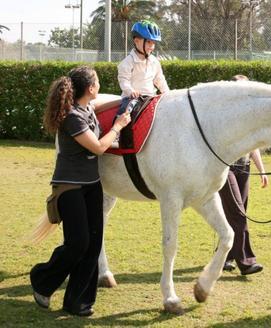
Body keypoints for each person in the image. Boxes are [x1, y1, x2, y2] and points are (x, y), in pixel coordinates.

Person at [30, 66, 131, 316]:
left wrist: (129, 98)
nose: (99, 85)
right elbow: (97, 147)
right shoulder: (72, 117)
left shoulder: (86, 109)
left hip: (91, 186)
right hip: (69, 188)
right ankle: (42, 278)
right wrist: (118, 126)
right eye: (97, 82)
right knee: (78, 244)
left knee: (93, 244)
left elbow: (98, 108)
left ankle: (78, 302)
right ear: (90, 88)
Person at [219, 74, 269, 276]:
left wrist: (262, 169)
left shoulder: (249, 116)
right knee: (239, 214)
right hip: (226, 168)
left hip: (244, 167)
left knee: (236, 213)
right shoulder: (224, 114)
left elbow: (253, 146)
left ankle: (224, 256)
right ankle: (246, 262)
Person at [113, 20, 169, 148]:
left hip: (150, 97)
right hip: (133, 97)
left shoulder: (155, 61)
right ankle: (116, 134)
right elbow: (123, 80)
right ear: (137, 40)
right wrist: (130, 90)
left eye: (153, 42)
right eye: (148, 41)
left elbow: (160, 80)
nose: (152, 46)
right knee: (126, 110)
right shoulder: (127, 62)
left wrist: (168, 93)